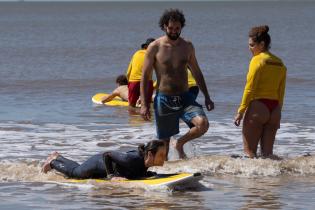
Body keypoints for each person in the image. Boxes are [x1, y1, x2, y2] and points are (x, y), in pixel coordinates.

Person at [140, 9, 214, 159]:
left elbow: (197, 72)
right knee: (164, 143)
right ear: (164, 26)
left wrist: (207, 96)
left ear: (181, 27)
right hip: (164, 98)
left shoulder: (187, 46)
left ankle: (180, 144)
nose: (174, 31)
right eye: (171, 28)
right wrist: (144, 104)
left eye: (177, 28)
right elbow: (145, 77)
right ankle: (165, 173)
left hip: (185, 97)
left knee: (203, 124)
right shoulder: (155, 47)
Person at [234, 25, 287, 158]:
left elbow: (250, 88)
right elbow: (281, 91)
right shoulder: (280, 63)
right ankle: (272, 178)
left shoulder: (257, 60)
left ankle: (251, 179)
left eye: (252, 45)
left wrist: (240, 111)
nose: (249, 48)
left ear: (262, 44)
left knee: (249, 153)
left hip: (258, 109)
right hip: (274, 110)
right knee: (268, 156)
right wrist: (278, 112)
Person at [41, 140, 166, 180]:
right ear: (150, 154)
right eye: (161, 155)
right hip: (98, 162)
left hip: (102, 168)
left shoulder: (145, 162)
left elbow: (136, 172)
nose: (164, 158)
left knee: (78, 168)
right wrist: (111, 176)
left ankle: (58, 157)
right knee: (76, 173)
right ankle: (52, 163)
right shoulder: (131, 159)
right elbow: (107, 154)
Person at [126, 38, 155, 109]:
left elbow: (128, 72)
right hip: (147, 82)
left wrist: (129, 84)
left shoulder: (136, 53)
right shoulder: (155, 56)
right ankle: (146, 120)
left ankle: (133, 119)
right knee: (147, 106)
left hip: (134, 81)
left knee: (131, 106)